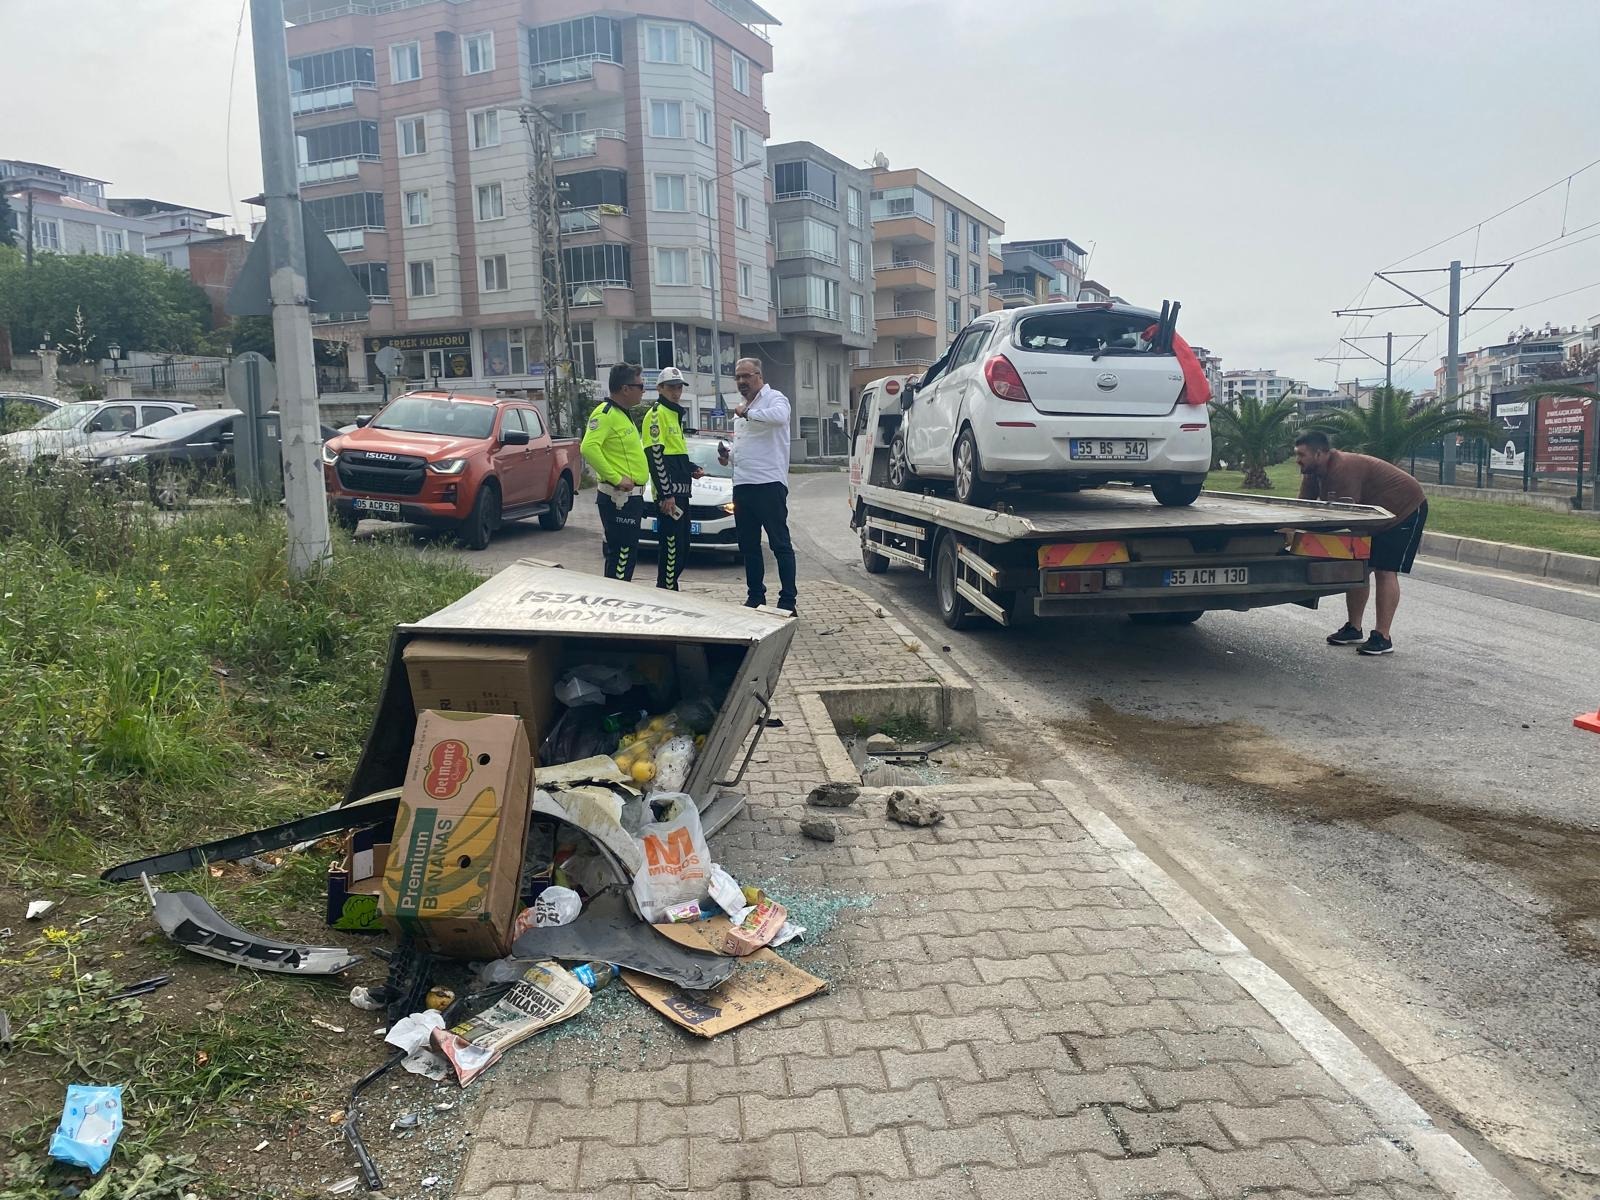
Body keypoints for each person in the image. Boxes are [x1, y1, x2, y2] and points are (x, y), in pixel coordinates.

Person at [1294, 430, 1429, 656]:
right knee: (1361, 567)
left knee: (1385, 570)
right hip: (1370, 516)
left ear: (1319, 454)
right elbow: (1303, 507)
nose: (1297, 460)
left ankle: (1382, 636)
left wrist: (1306, 538)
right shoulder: (1312, 472)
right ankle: (1353, 628)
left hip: (1402, 510)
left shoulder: (1343, 469)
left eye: (1301, 455)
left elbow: (1340, 517)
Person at [718, 357, 797, 613]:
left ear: (759, 375)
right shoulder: (743, 407)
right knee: (749, 546)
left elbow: (780, 417)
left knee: (779, 544)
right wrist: (728, 456)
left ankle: (787, 601)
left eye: (746, 376)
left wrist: (748, 413)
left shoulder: (775, 398)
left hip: (769, 484)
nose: (741, 381)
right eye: (738, 377)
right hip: (743, 484)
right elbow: (748, 446)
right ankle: (755, 597)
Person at [581, 362, 650, 582]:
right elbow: (588, 448)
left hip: (631, 499)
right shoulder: (605, 414)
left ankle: (619, 598)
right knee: (621, 554)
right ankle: (615, 604)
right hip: (618, 498)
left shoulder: (623, 414)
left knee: (627, 554)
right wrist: (616, 477)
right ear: (625, 388)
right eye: (640, 386)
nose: (643, 391)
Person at [643, 366, 703, 590]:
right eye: (671, 387)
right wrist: (666, 494)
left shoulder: (675, 414)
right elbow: (655, 457)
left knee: (683, 547)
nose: (676, 392)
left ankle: (670, 587)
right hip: (670, 497)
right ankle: (667, 591)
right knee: (671, 547)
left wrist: (692, 468)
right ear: (660, 388)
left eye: (679, 387)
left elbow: (676, 455)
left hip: (682, 493)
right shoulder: (657, 415)